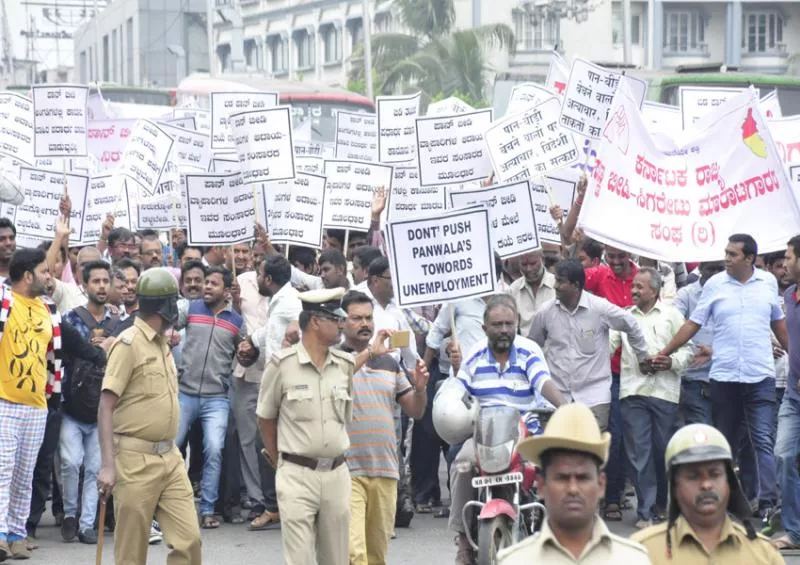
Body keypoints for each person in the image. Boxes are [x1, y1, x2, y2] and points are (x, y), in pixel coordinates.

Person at [658, 234, 788, 525]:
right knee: (724, 444)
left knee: (762, 441)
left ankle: (768, 506)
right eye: (726, 253)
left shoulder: (767, 283)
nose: (726, 259)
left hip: (760, 376)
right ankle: (724, 504)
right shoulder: (715, 285)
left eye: (732, 254)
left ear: (750, 258)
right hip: (725, 377)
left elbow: (779, 326)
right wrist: (665, 351)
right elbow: (693, 323)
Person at [256, 288, 386, 565]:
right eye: (334, 319)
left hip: (337, 474)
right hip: (296, 474)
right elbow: (265, 418)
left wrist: (373, 352)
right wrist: (280, 462)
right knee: (299, 559)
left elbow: (356, 363)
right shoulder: (282, 365)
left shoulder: (341, 364)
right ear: (315, 321)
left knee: (336, 559)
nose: (341, 324)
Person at [443, 295, 567, 565]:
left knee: (552, 467)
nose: (503, 330)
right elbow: (459, 387)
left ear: (517, 324)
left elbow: (542, 381)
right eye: (497, 324)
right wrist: (448, 401)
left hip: (524, 434)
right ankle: (463, 541)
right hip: (484, 435)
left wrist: (565, 406)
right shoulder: (475, 353)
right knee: (461, 464)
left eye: (509, 324)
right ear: (485, 328)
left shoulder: (529, 351)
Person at [0, 248, 105, 560]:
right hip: (4, 401)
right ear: (28, 275)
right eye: (44, 271)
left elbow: (72, 342)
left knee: (24, 473)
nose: (50, 276)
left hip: (38, 403)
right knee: (3, 471)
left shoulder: (48, 308)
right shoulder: (3, 300)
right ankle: (0, 535)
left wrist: (100, 354)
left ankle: (17, 534)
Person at [97, 267, 201, 565]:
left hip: (170, 457)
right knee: (132, 552)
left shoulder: (162, 343)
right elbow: (106, 406)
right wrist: (107, 465)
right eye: (174, 302)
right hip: (133, 461)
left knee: (189, 540)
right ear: (165, 306)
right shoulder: (128, 344)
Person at [497, 403, 651, 564]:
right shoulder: (513, 562)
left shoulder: (634, 560)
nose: (573, 489)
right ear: (541, 485)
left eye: (583, 477)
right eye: (562, 478)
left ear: (601, 484)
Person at [339, 290, 429, 565]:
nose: (365, 324)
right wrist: (368, 353)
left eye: (369, 318)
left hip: (386, 470)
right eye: (357, 318)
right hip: (346, 471)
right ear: (342, 322)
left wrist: (421, 388)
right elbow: (332, 382)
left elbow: (415, 409)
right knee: (354, 555)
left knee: (377, 555)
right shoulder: (335, 358)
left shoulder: (390, 362)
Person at [610, 267, 694, 529]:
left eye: (640, 287)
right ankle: (646, 512)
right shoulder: (623, 317)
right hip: (633, 392)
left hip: (664, 394)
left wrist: (669, 362)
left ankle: (661, 504)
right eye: (633, 286)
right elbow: (607, 346)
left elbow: (688, 351)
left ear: (655, 291)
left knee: (662, 451)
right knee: (639, 453)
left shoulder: (672, 315)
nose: (634, 290)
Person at [632, 424, 782, 564]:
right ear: (675, 486)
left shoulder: (764, 554)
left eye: (715, 474)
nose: (706, 484)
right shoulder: (642, 552)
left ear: (730, 482)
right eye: (693, 476)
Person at [236, 255, 303, 529]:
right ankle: (277, 505)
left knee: (271, 446)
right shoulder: (281, 302)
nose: (257, 277)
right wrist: (251, 340)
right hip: (278, 385)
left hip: (285, 387)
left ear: (269, 280)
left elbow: (287, 339)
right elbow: (270, 331)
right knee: (267, 445)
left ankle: (283, 506)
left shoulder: (289, 303)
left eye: (259, 273)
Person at [174, 266, 244, 529]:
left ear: (226, 291)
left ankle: (207, 510)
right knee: (170, 448)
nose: (206, 287)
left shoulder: (236, 321)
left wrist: (249, 352)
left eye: (213, 284)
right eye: (206, 283)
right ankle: (165, 504)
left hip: (217, 399)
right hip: (185, 392)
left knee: (214, 449)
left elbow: (246, 353)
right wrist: (169, 333)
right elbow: (167, 323)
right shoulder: (190, 310)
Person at [59, 260, 119, 545]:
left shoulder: (117, 322)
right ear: (84, 286)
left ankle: (86, 525)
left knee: (96, 468)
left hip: (102, 410)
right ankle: (70, 515)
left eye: (106, 281)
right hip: (72, 407)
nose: (101, 286)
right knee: (70, 463)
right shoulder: (71, 319)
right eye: (95, 281)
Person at [672, 261, 725, 426]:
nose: (716, 273)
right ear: (700, 269)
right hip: (696, 377)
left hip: (726, 376)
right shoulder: (686, 294)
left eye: (720, 268)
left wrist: (715, 351)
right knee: (702, 431)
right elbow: (675, 324)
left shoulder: (732, 293)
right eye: (711, 268)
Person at [773, 234, 800, 551]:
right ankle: (794, 531)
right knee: (784, 454)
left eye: (789, 257)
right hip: (793, 398)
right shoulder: (790, 295)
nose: (784, 264)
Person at [507, 250, 556, 336]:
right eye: (524, 265)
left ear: (542, 260)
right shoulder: (513, 290)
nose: (529, 269)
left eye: (533, 264)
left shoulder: (556, 284)